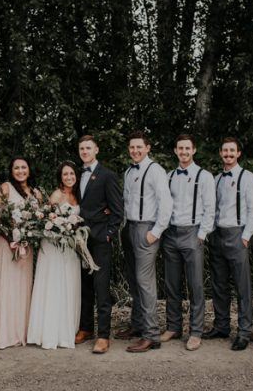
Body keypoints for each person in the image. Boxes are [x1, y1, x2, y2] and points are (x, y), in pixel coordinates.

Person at [160, 134, 215, 351]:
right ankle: (173, 326)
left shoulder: (205, 176)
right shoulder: (169, 175)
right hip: (171, 233)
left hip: (193, 233)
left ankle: (195, 331)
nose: (183, 152)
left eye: (187, 148)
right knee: (172, 283)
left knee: (195, 285)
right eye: (180, 148)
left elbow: (210, 208)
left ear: (194, 151)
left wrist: (202, 234)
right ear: (175, 151)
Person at [203, 137, 253, 351]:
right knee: (219, 284)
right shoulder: (215, 178)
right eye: (225, 150)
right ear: (220, 153)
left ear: (238, 153)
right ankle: (222, 326)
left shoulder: (249, 178)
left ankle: (244, 331)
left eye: (232, 151)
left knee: (242, 286)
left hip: (237, 234)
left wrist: (245, 236)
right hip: (217, 234)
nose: (228, 154)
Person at [119, 131, 172, 353]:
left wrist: (156, 231)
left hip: (146, 229)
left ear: (148, 148)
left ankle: (151, 335)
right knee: (133, 280)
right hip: (129, 227)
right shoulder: (129, 172)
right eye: (132, 147)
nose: (135, 150)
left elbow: (166, 203)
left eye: (139, 147)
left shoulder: (156, 171)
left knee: (145, 281)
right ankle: (138, 324)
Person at [74, 135, 123, 354]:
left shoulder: (107, 175)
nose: (85, 151)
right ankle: (86, 328)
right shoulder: (75, 174)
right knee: (84, 284)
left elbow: (117, 211)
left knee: (101, 286)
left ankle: (103, 335)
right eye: (82, 148)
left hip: (100, 239)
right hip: (79, 239)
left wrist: (108, 234)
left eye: (88, 148)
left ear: (96, 150)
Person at [28, 161, 83, 349]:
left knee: (69, 284)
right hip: (55, 247)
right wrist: (62, 228)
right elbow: (47, 222)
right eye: (65, 174)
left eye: (72, 174)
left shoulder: (77, 195)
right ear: (60, 177)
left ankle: (67, 327)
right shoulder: (57, 195)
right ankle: (52, 331)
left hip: (70, 247)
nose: (69, 177)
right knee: (55, 285)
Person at [0, 157, 42, 349]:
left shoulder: (36, 193)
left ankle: (21, 331)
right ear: (11, 171)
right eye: (16, 168)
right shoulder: (5, 188)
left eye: (24, 167)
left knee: (22, 286)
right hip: (6, 244)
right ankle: (2, 334)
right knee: (6, 286)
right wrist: (11, 237)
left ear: (29, 170)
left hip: (25, 246)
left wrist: (26, 236)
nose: (20, 171)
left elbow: (40, 219)